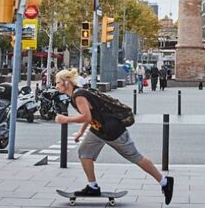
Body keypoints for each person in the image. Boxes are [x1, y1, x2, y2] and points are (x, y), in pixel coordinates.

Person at [54, 68, 174, 204]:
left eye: (58, 82)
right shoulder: (76, 95)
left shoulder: (78, 95)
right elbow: (91, 116)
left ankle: (164, 182)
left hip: (112, 130)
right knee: (84, 153)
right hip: (99, 129)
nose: (56, 85)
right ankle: (92, 186)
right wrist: (81, 132)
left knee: (135, 156)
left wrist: (66, 119)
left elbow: (86, 117)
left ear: (66, 83)